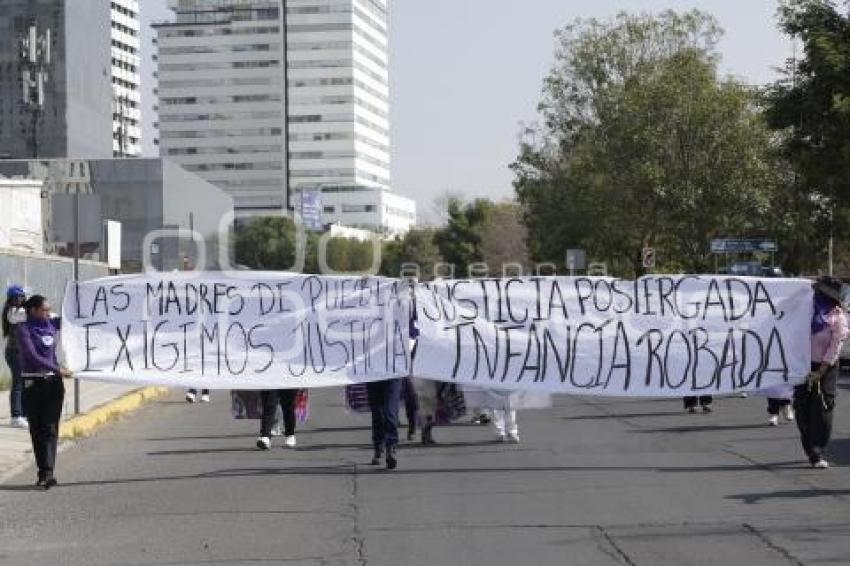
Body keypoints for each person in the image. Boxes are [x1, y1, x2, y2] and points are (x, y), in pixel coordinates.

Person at [16, 295, 72, 489]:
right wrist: (59, 369)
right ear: (33, 310)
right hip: (33, 384)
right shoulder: (23, 329)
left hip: (53, 385)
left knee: (50, 427)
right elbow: (32, 356)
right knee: (37, 429)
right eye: (45, 310)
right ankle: (44, 471)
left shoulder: (51, 323)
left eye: (49, 310)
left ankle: (47, 473)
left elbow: (76, 320)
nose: (48, 313)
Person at [794, 276, 848, 469]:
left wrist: (821, 370)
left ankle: (819, 447)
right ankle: (812, 452)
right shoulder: (804, 312)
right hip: (802, 365)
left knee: (823, 408)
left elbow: (836, 346)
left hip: (827, 367)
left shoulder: (838, 317)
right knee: (802, 408)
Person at [3, 285, 28, 428]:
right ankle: (16, 416)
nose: (23, 299)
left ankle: (22, 414)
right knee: (18, 384)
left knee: (23, 383)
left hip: (20, 352)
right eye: (21, 296)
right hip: (14, 352)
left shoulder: (20, 310)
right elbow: (25, 314)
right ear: (14, 298)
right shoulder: (12, 312)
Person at [366, 378, 401, 469]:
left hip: (393, 374)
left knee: (390, 411)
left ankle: (391, 447)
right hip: (373, 375)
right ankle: (378, 448)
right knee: (377, 413)